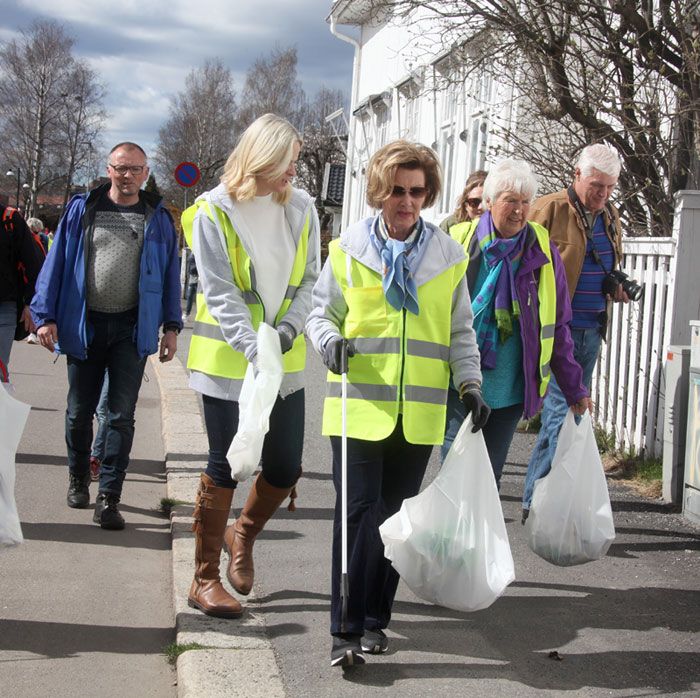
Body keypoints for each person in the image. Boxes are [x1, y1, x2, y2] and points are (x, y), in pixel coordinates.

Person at [306, 140, 488, 668]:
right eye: (396, 191)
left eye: (416, 191)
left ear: (427, 194)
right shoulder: (347, 250)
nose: (406, 201)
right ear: (379, 193)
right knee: (358, 514)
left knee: (394, 518)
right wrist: (329, 343)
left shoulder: (449, 257)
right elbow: (322, 315)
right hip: (358, 403)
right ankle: (343, 629)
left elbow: (460, 331)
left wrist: (470, 385)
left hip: (421, 412)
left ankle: (374, 621)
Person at [181, 113, 320, 619]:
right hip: (227, 362)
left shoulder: (302, 208)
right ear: (262, 157)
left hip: (283, 361)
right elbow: (219, 293)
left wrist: (283, 337)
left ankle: (243, 534)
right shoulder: (212, 212)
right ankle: (203, 580)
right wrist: (255, 349)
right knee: (226, 464)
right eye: (289, 161)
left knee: (284, 465)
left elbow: (310, 281)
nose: (294, 173)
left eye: (297, 163)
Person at [31, 142, 182, 530]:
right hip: (85, 326)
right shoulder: (84, 209)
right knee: (79, 412)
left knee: (121, 417)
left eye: (135, 169)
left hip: (131, 330)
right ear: (108, 169)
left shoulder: (158, 218)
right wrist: (45, 315)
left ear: (146, 172)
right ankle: (79, 478)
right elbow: (57, 261)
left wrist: (171, 326)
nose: (127, 175)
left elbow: (169, 276)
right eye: (120, 168)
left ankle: (109, 497)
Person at [442, 159, 591, 490]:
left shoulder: (542, 250)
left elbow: (558, 325)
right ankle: (448, 542)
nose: (519, 211)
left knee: (487, 482)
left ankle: (478, 543)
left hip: (510, 387)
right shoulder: (458, 243)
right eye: (511, 200)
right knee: (452, 476)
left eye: (526, 202)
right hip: (459, 382)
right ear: (489, 202)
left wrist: (573, 387)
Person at [522, 144, 627, 521]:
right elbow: (522, 264)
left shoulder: (611, 216)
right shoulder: (549, 209)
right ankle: (536, 504)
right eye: (597, 185)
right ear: (577, 175)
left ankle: (548, 497)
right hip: (554, 332)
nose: (602, 194)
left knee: (570, 415)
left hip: (591, 330)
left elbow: (605, 264)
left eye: (609, 187)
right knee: (557, 414)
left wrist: (616, 288)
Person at [0, 205, 43, 377]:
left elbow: (33, 264)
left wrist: (29, 304)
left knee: (0, 373)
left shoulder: (9, 218)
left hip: (4, 307)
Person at [183, 251, 198, 321]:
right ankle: (187, 313)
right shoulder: (193, 252)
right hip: (193, 277)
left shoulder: (199, 251)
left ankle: (189, 313)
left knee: (198, 297)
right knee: (190, 296)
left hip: (199, 277)